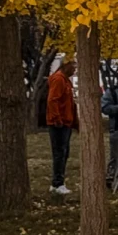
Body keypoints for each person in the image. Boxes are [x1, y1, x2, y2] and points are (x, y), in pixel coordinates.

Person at [46, 58, 78, 196]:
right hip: (59, 123)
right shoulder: (59, 79)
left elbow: (71, 104)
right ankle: (58, 183)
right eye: (73, 66)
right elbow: (53, 100)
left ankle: (57, 182)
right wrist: (57, 119)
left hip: (66, 122)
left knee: (64, 153)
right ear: (66, 65)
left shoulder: (66, 80)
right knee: (60, 153)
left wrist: (75, 122)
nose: (75, 69)